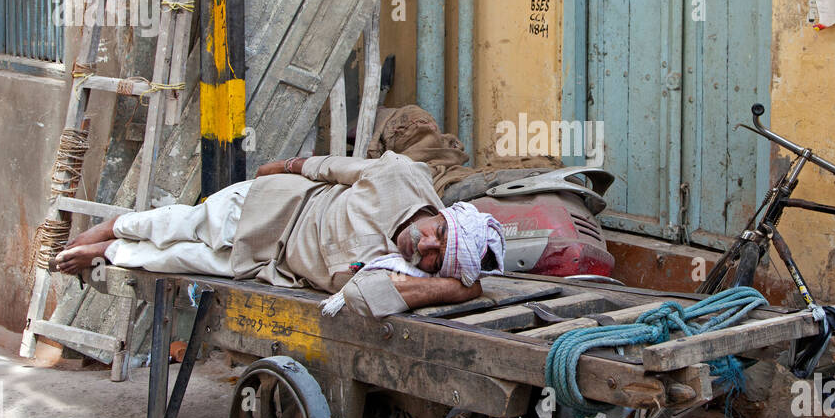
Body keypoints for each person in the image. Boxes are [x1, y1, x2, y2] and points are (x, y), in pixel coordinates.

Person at [54, 151, 505, 318]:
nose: (425, 245)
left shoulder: (398, 273)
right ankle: (109, 228)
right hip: (273, 204)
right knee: (177, 224)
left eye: (435, 258)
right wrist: (285, 166)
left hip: (267, 263)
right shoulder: (402, 176)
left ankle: (110, 252)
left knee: (170, 259)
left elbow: (365, 299)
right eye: (437, 233)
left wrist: (454, 288)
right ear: (444, 214)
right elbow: (334, 168)